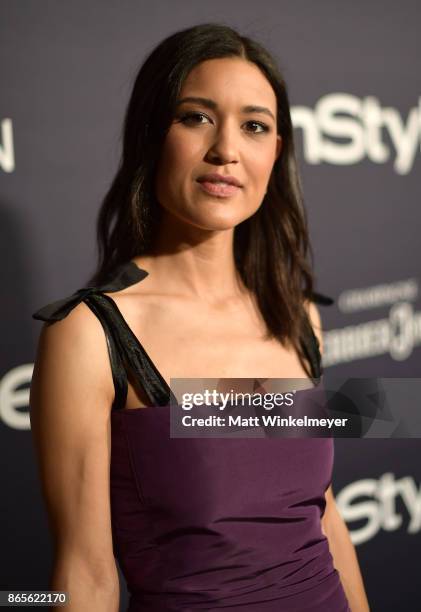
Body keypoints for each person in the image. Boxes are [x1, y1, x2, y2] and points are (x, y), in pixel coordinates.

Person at [30, 23, 370, 612]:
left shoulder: (298, 316)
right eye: (196, 117)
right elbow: (84, 577)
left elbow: (323, 516)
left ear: (277, 153)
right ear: (151, 134)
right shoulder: (89, 334)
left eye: (255, 126)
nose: (227, 150)